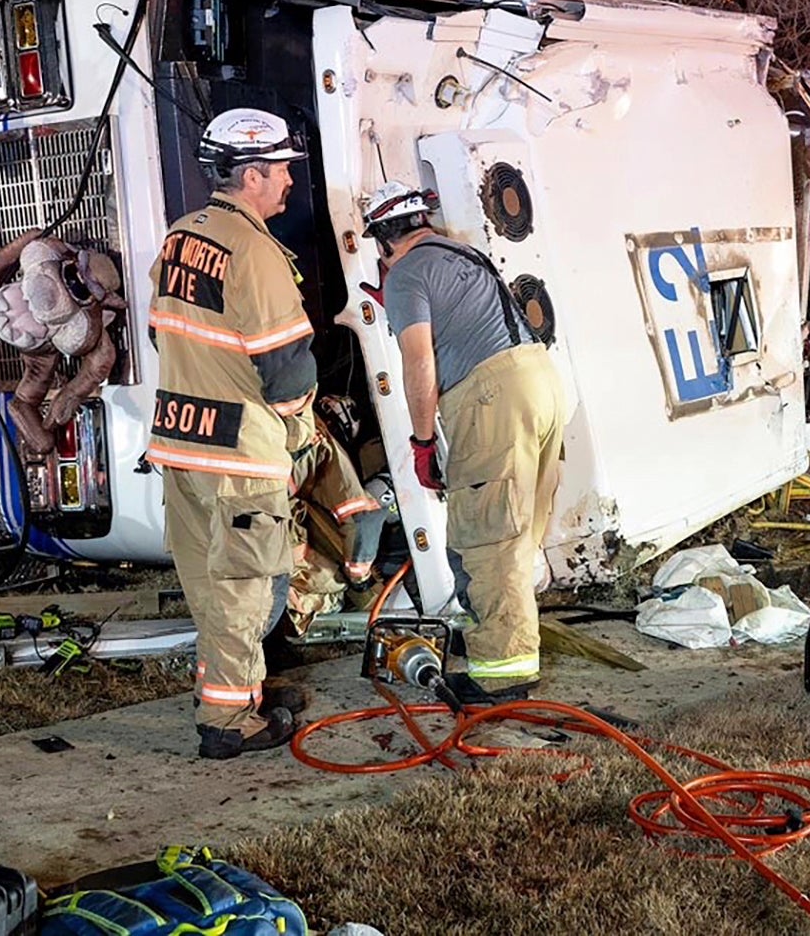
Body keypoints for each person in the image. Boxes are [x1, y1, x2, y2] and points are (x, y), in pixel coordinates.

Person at [148, 107, 319, 758]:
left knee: (212, 588)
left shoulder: (179, 237)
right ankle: (228, 726)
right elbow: (287, 369)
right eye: (279, 170)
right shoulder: (256, 250)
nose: (287, 183)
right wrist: (302, 422)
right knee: (249, 591)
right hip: (238, 452)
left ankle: (234, 700)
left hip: (181, 443)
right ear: (250, 174)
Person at [362, 182, 566, 702]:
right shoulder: (463, 254)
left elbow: (419, 364)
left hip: (491, 397)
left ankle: (502, 676)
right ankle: (515, 651)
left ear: (385, 239)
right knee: (517, 533)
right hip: (539, 380)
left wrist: (423, 441)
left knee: (486, 537)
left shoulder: (408, 273)